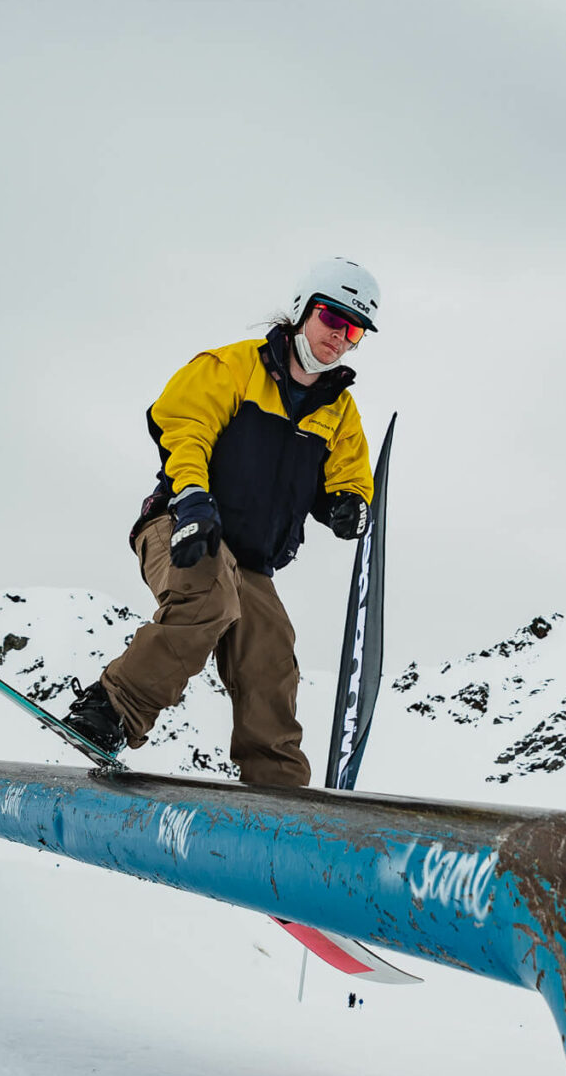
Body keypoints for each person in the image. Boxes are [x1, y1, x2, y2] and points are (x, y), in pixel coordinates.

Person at [63, 257, 380, 786]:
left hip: (250, 562)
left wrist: (348, 505)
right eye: (331, 318)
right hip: (182, 524)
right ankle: (110, 711)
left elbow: (348, 476)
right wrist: (193, 499)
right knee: (209, 597)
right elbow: (184, 429)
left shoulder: (339, 411)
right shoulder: (232, 367)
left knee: (271, 653)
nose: (339, 337)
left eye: (354, 331)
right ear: (303, 308)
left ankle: (277, 787)